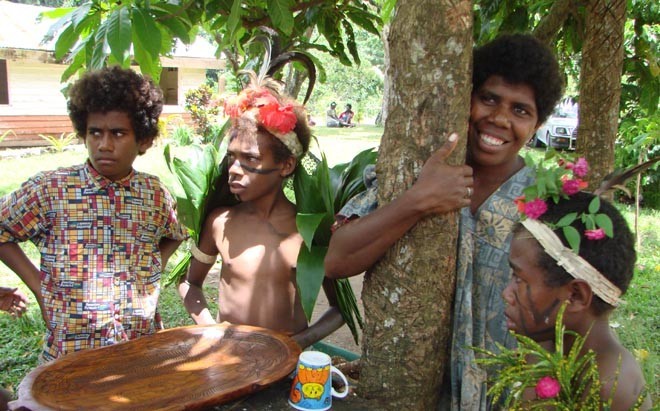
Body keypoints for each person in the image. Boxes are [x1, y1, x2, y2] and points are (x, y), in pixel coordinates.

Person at [324, 33, 564, 410]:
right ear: (466, 98)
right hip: (413, 389)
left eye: (521, 110)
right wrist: (417, 201)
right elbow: (338, 260)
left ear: (537, 123)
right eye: (489, 99)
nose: (500, 119)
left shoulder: (544, 203)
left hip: (504, 393)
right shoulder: (418, 170)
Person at [0, 66, 188, 361]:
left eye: (118, 133)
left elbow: (176, 233)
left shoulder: (154, 194)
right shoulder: (51, 189)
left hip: (137, 346)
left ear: (143, 140)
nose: (104, 144)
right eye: (95, 132)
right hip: (71, 351)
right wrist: (37, 285)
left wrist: (152, 269)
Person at [178, 72, 344, 349]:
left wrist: (296, 344)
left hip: (285, 369)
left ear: (286, 166)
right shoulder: (220, 223)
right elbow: (189, 283)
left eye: (250, 158)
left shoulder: (309, 231)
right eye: (232, 156)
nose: (233, 169)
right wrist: (211, 329)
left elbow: (340, 309)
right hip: (227, 361)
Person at [504, 191, 651, 410]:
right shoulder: (549, 345)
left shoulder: (608, 383)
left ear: (575, 296)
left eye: (519, 279)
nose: (506, 293)